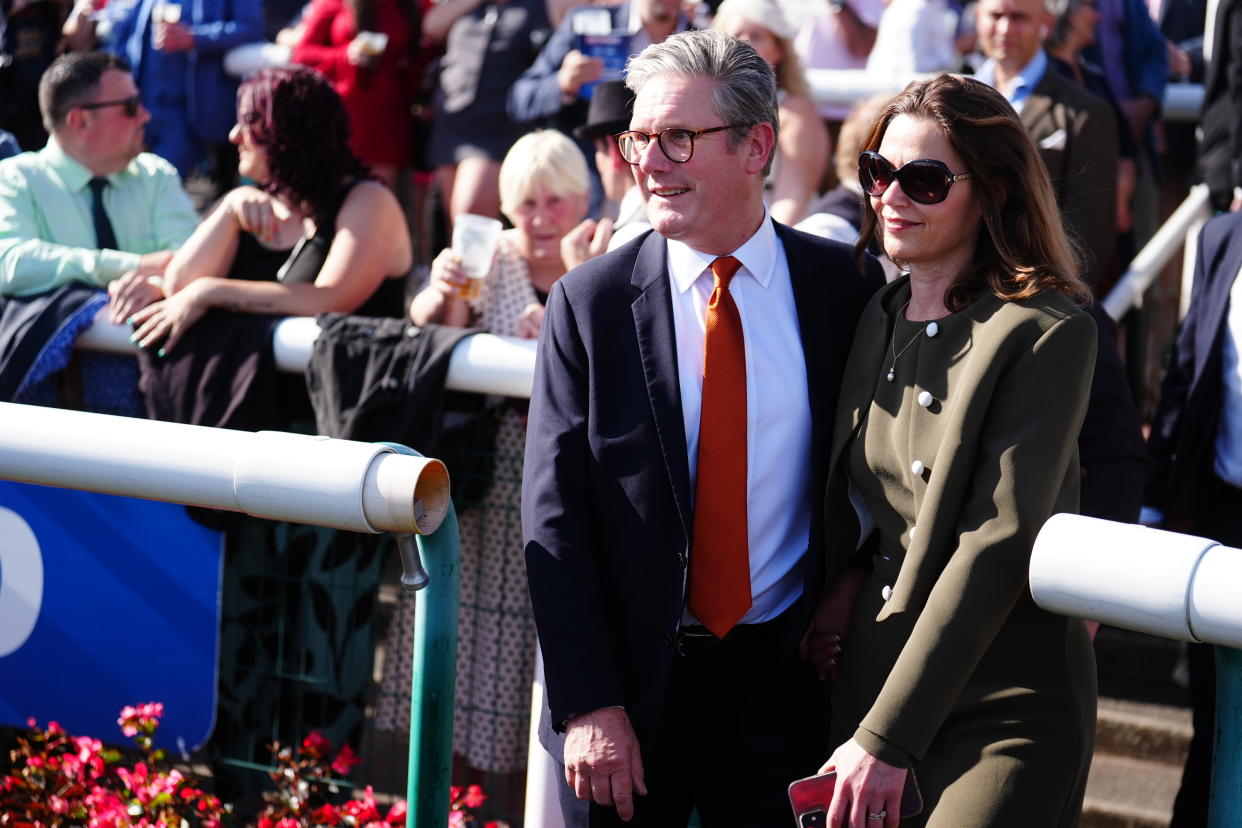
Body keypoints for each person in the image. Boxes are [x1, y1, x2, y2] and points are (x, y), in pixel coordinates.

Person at [522, 29, 882, 826]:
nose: (649, 161)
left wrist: (850, 583)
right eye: (639, 138)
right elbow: (555, 520)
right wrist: (588, 707)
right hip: (626, 706)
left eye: (678, 138)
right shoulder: (590, 304)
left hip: (784, 693)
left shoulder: (844, 289)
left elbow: (878, 471)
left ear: (758, 145)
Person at [808, 73, 1097, 826]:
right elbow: (867, 499)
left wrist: (885, 738)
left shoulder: (1045, 331)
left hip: (1001, 703)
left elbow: (995, 543)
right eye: (879, 171)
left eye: (925, 179)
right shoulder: (879, 309)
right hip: (874, 677)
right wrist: (838, 586)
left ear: (994, 191)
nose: (891, 195)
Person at [378, 129, 593, 781]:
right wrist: (442, 285)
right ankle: (448, 775)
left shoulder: (600, 259)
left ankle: (512, 782)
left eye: (557, 200)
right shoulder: (489, 254)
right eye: (528, 203)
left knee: (527, 629)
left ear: (582, 201)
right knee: (459, 616)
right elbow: (429, 326)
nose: (542, 217)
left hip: (559, 484)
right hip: (477, 476)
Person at [126, 66, 412, 353]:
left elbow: (329, 300)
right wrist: (229, 207)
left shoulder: (369, 201)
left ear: (289, 132)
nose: (234, 135)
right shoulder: (246, 204)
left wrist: (210, 292)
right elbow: (179, 286)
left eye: (250, 122)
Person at [1143, 210, 1242, 828]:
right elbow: (1187, 371)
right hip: (1222, 513)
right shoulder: (1220, 237)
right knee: (1213, 716)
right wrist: (1155, 500)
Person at [0, 51, 198, 326]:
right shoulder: (14, 178)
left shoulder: (155, 174)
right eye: (130, 105)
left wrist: (158, 286)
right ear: (80, 121)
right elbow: (8, 262)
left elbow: (193, 259)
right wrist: (130, 267)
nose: (144, 115)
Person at [975, 0, 1119, 290]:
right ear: (978, 17)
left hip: (1032, 294)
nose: (1005, 28)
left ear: (1047, 24)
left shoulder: (1084, 113)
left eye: (1018, 17)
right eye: (996, 15)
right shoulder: (949, 96)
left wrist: (1045, 300)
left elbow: (1090, 233)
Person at [67, 0, 266, 182]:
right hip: (139, 109)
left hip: (187, 115)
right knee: (124, 184)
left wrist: (195, 38)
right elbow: (121, 34)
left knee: (161, 185)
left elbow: (251, 28)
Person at [422, 0, 555, 223]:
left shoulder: (540, 5)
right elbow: (432, 27)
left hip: (499, 124)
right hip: (453, 119)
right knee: (455, 221)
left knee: (471, 214)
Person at [712, 0, 830, 224]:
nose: (745, 43)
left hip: (779, 235)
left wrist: (759, 248)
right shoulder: (710, 108)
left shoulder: (796, 112)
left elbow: (792, 200)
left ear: (779, 50)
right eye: (736, 35)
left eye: (757, 36)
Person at [292, 0, 418, 189]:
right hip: (343, 116)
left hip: (389, 117)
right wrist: (345, 55)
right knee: (337, 191)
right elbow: (302, 54)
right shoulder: (332, 4)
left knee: (377, 195)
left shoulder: (406, 6)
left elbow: (420, 52)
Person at [560, 79, 650, 269]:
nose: (598, 161)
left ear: (613, 150)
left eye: (598, 151)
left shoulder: (628, 238)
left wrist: (582, 273)